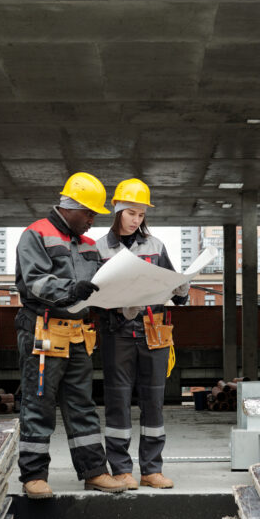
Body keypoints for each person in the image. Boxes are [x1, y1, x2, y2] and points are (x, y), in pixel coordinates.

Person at [14, 171, 127, 499]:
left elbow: (99, 283)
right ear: (71, 206)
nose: (93, 220)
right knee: (39, 404)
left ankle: (94, 471)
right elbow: (34, 282)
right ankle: (33, 476)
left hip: (77, 334)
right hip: (43, 331)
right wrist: (71, 288)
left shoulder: (90, 245)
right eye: (90, 213)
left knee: (82, 405)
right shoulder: (36, 234)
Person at [95, 178, 188, 490]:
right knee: (118, 400)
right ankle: (121, 469)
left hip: (153, 331)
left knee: (153, 399)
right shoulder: (99, 248)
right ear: (118, 209)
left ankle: (151, 469)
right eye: (131, 213)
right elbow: (92, 296)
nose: (137, 219)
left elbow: (176, 292)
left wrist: (182, 286)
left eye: (141, 214)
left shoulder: (155, 246)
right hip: (116, 332)